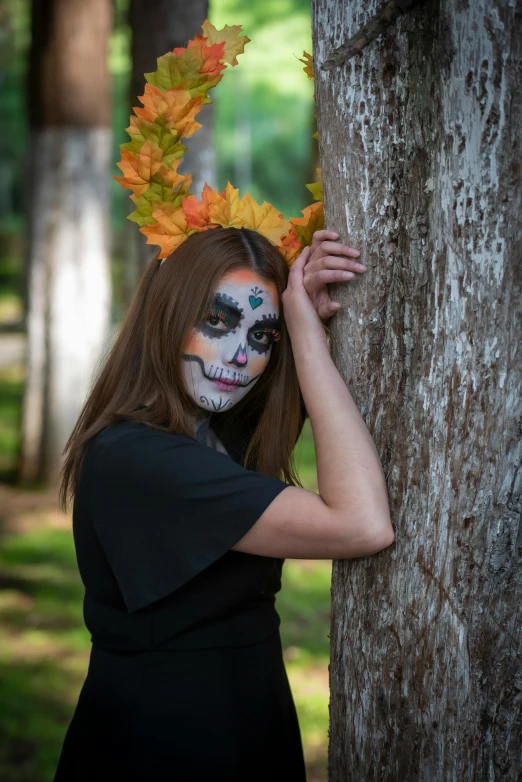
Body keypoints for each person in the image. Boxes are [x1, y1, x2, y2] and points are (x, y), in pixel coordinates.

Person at [54, 225, 394, 781]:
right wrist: (303, 336)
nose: (239, 356)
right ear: (167, 315)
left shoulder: (217, 434)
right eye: (217, 321)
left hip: (248, 725)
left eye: (264, 336)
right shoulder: (138, 460)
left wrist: (302, 310)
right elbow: (361, 524)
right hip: (163, 747)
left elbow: (307, 415)